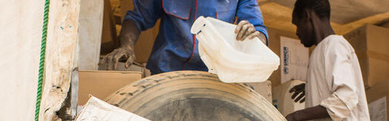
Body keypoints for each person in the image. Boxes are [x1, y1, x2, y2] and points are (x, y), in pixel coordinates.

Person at [103, 0, 267, 75]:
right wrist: (127, 46)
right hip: (165, 75)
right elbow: (136, 18)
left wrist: (253, 35)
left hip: (214, 78)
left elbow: (259, 31)